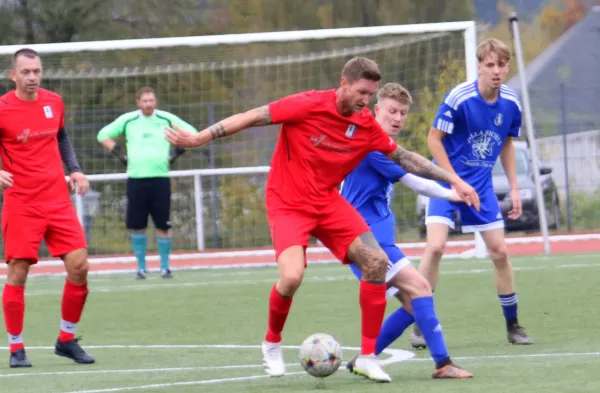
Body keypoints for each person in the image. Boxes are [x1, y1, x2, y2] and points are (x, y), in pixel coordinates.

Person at [165, 56, 480, 383]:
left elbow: (405, 158)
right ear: (344, 84)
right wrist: (200, 137)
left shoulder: (365, 125)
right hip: (287, 203)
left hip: (328, 202)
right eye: (361, 92)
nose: (365, 100)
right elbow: (253, 116)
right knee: (291, 278)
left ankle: (369, 357)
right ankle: (272, 342)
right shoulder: (308, 104)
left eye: (370, 95)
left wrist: (453, 181)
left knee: (376, 260)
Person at [341, 83, 472, 379]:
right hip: (366, 241)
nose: (397, 118)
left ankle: (364, 358)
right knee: (422, 288)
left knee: (415, 303)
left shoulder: (381, 143)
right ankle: (443, 363)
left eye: (402, 113)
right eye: (391, 111)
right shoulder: (372, 144)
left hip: (371, 239)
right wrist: (453, 192)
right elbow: (415, 179)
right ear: (376, 110)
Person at [413, 38, 532, 346]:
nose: (496, 70)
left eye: (502, 65)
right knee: (436, 247)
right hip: (444, 184)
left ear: (507, 67)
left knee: (500, 252)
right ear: (479, 66)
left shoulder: (511, 102)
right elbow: (433, 141)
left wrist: (515, 189)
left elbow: (507, 143)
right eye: (490, 64)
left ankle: (513, 325)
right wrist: (452, 181)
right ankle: (419, 322)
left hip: (480, 188)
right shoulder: (459, 97)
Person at [0, 48, 95, 368]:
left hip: (57, 200)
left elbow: (62, 137)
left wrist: (75, 168)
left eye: (37, 71)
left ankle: (66, 340)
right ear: (13, 75)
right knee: (18, 272)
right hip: (21, 203)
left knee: (80, 267)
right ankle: (16, 348)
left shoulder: (54, 102)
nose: (32, 77)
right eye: (25, 72)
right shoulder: (2, 109)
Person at [97, 87, 198, 279]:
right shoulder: (129, 120)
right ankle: (141, 268)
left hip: (160, 179)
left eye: (151, 100)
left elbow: (193, 133)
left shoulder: (166, 119)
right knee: (138, 225)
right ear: (138, 103)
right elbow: (102, 135)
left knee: (163, 225)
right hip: (136, 180)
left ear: (156, 101)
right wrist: (121, 155)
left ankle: (165, 267)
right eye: (144, 101)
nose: (148, 104)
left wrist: (175, 153)